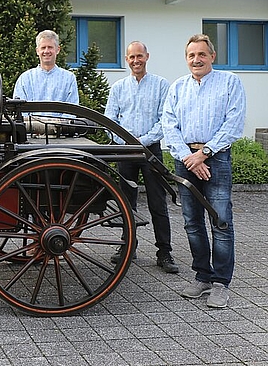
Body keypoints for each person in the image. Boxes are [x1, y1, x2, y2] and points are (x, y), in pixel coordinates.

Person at [162, 33, 246, 308]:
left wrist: (204, 154)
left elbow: (233, 122)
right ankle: (202, 277)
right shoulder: (177, 87)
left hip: (217, 158)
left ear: (212, 56)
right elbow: (169, 125)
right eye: (191, 55)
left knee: (220, 220)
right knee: (192, 221)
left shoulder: (230, 82)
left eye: (201, 54)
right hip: (184, 159)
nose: (196, 59)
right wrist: (189, 157)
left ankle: (221, 283)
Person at [105, 41, 178, 273]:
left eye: (140, 56)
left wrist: (142, 142)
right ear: (126, 60)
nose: (136, 61)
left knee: (158, 202)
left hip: (151, 150)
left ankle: (164, 252)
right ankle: (128, 247)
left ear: (147, 56)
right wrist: (125, 143)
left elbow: (164, 120)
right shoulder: (118, 87)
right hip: (124, 151)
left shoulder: (161, 85)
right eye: (131, 57)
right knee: (126, 202)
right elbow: (109, 120)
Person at [13, 29, 79, 106]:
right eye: (43, 47)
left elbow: (72, 110)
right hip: (30, 119)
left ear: (57, 50)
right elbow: (19, 110)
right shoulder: (25, 79)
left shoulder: (69, 79)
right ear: (37, 51)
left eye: (50, 47)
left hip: (62, 119)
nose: (46, 51)